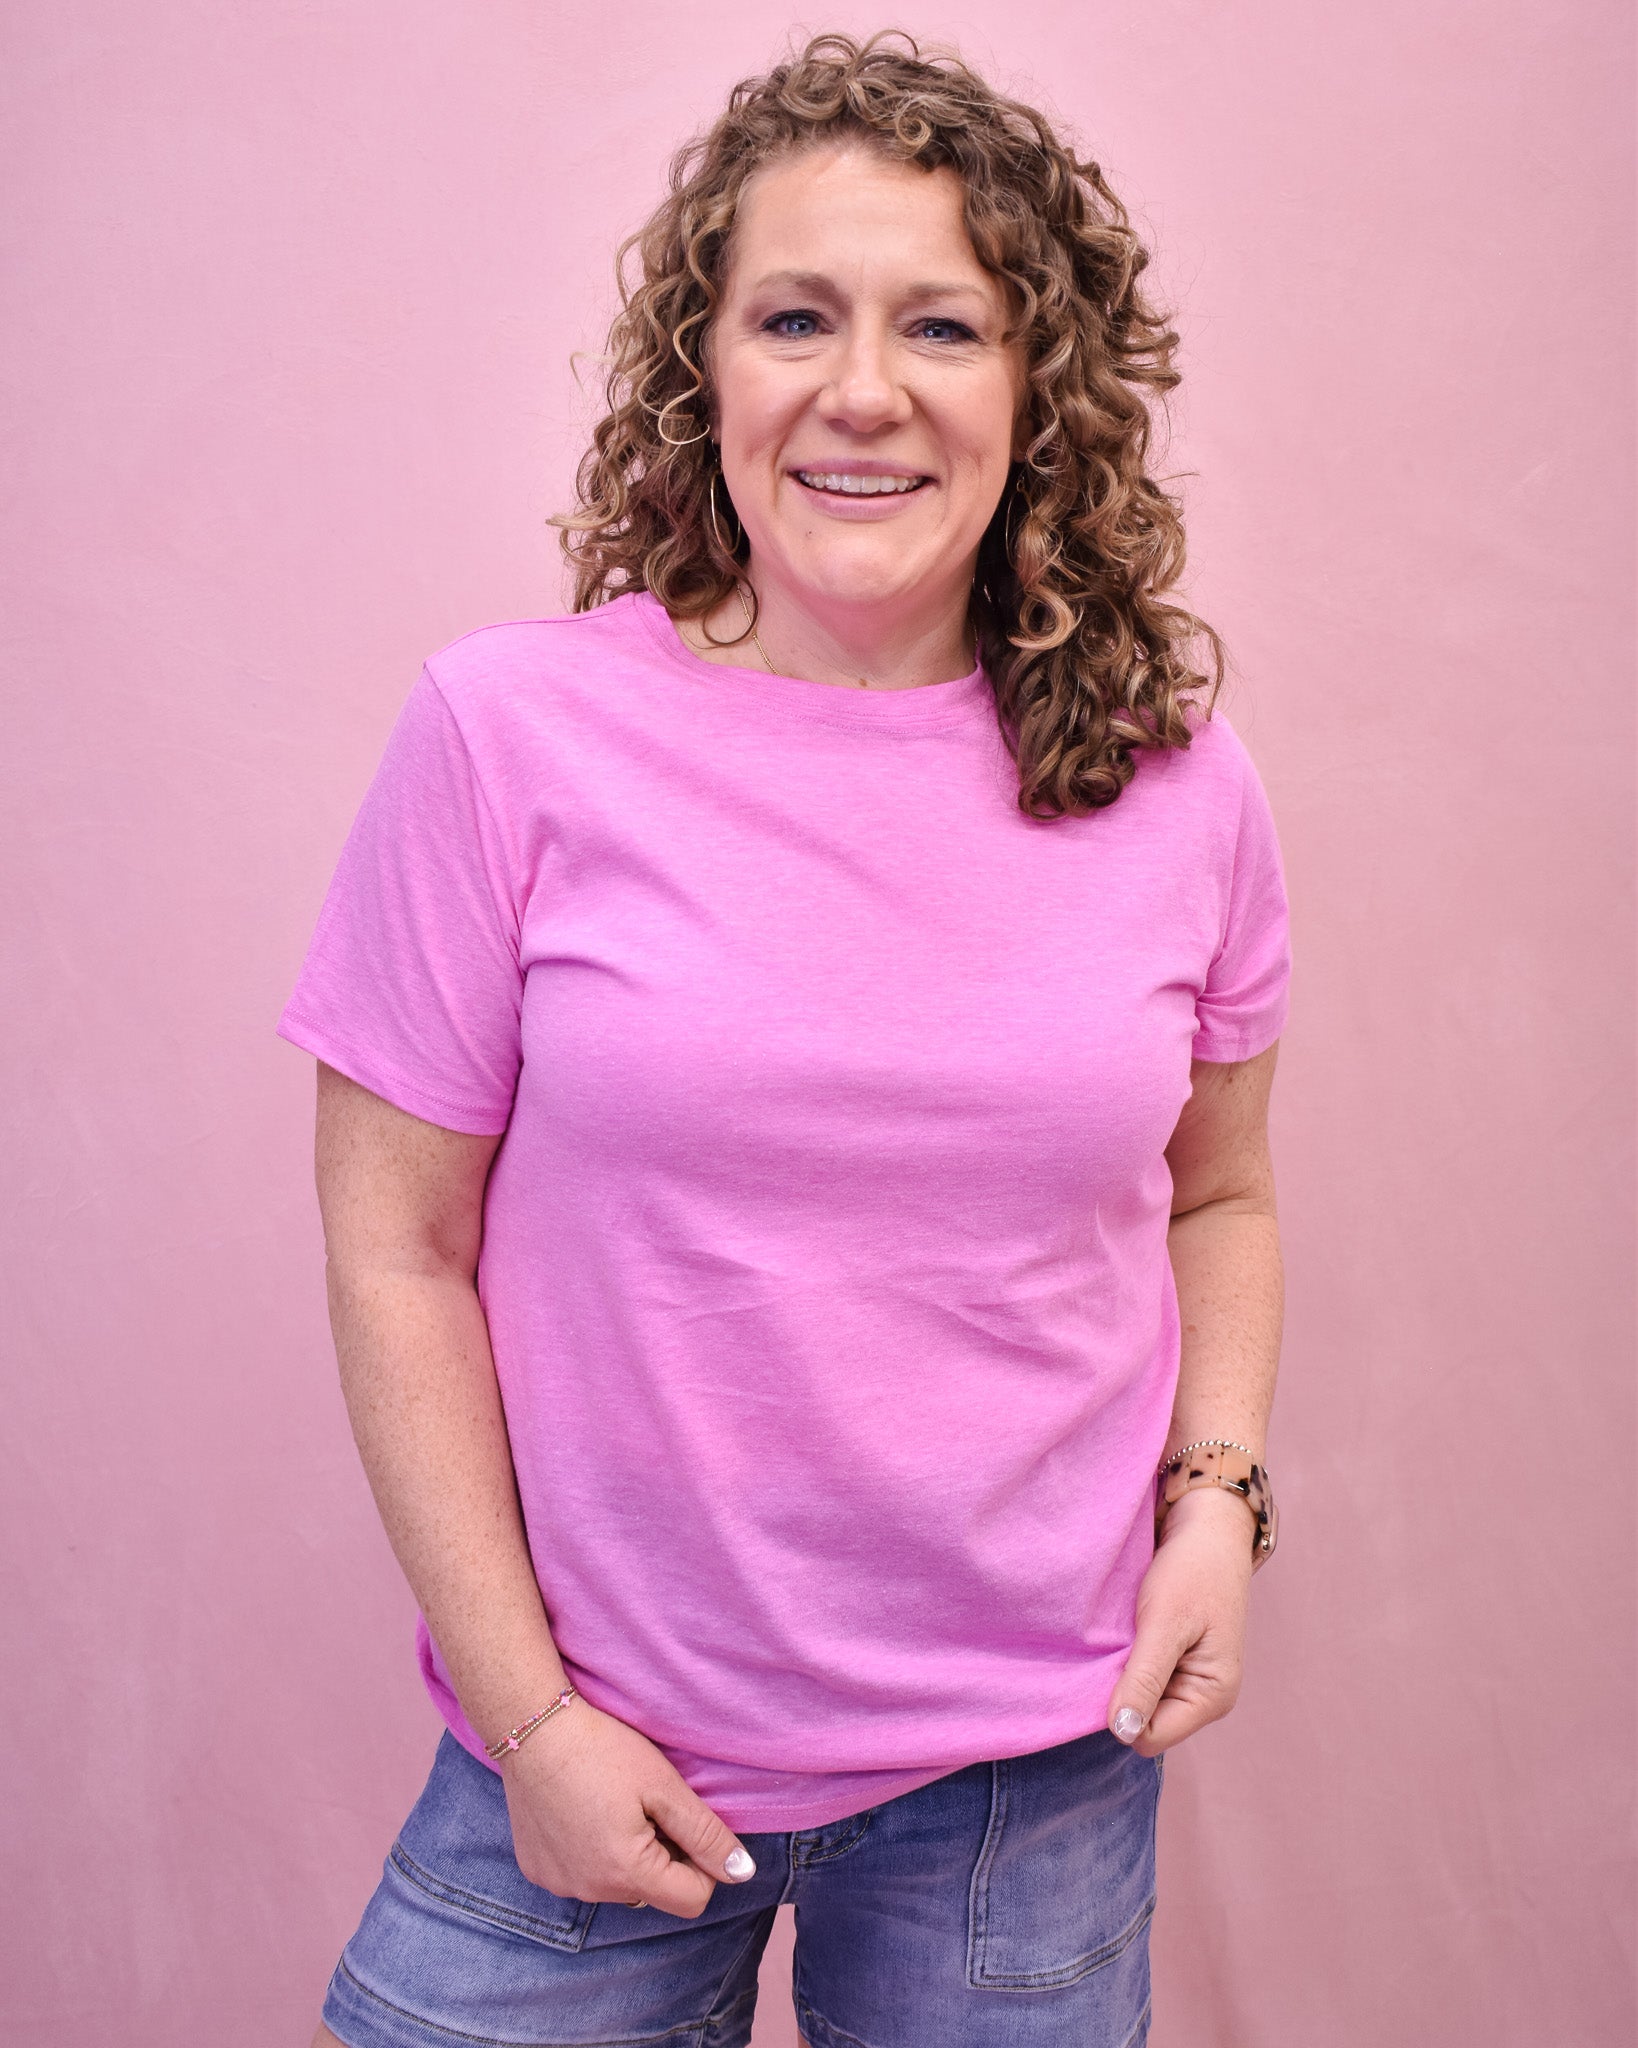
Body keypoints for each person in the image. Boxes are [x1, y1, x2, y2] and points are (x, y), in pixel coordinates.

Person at [282, 30, 1291, 2048]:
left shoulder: (1180, 785)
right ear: (705, 369)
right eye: (795, 316)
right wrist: (533, 1717)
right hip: (588, 1762)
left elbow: (1226, 1193)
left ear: (1040, 389)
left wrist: (1217, 1508)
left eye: (944, 324)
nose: (862, 388)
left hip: (1038, 1770)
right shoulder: (510, 736)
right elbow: (397, 1249)